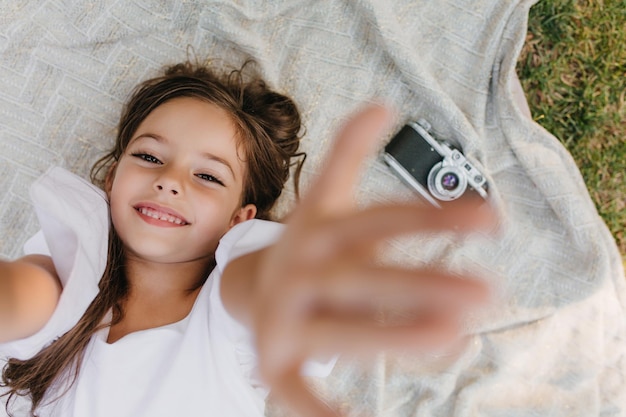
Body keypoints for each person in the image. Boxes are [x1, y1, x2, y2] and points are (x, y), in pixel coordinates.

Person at [0, 60, 493, 417]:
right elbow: (17, 297)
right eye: (149, 157)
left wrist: (290, 279)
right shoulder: (67, 271)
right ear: (111, 180)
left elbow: (257, 290)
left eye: (208, 177)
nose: (170, 181)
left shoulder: (228, 312)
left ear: (241, 220)